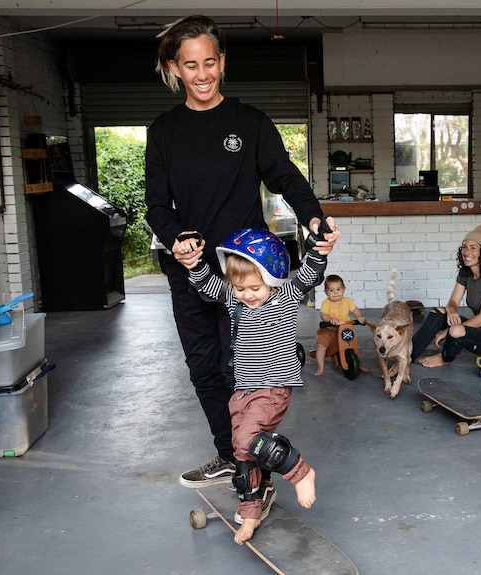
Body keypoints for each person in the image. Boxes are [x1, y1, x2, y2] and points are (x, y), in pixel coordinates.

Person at [144, 14, 340, 488]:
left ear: (222, 62)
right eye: (190, 65)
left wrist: (314, 218)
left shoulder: (248, 122)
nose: (202, 74)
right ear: (175, 68)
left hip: (245, 273)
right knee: (205, 367)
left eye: (210, 62)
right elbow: (155, 204)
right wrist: (176, 241)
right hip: (190, 270)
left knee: (248, 369)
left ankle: (254, 462)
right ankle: (230, 455)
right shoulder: (164, 130)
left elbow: (285, 177)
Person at [184, 228, 322, 544]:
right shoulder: (236, 299)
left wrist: (319, 247)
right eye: (240, 287)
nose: (247, 294)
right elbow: (208, 285)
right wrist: (194, 265)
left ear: (272, 278)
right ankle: (250, 514)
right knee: (243, 455)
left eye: (255, 287)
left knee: (248, 439)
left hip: (273, 388)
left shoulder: (285, 297)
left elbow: (309, 273)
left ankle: (301, 473)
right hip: (243, 391)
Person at [412, 225, 481, 367]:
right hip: (479, 329)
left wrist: (447, 331)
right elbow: (453, 301)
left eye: (473, 247)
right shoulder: (466, 274)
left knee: (456, 330)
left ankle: (445, 358)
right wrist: (452, 310)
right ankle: (408, 356)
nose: (467, 252)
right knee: (439, 312)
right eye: (464, 247)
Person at [314, 274, 368, 376]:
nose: (335, 293)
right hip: (329, 329)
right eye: (331, 290)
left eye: (338, 289)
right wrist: (330, 319)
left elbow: (354, 309)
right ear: (326, 292)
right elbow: (323, 314)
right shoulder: (326, 303)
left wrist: (359, 317)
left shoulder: (347, 301)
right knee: (322, 347)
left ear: (344, 289)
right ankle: (320, 367)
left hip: (344, 329)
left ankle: (358, 364)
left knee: (353, 345)